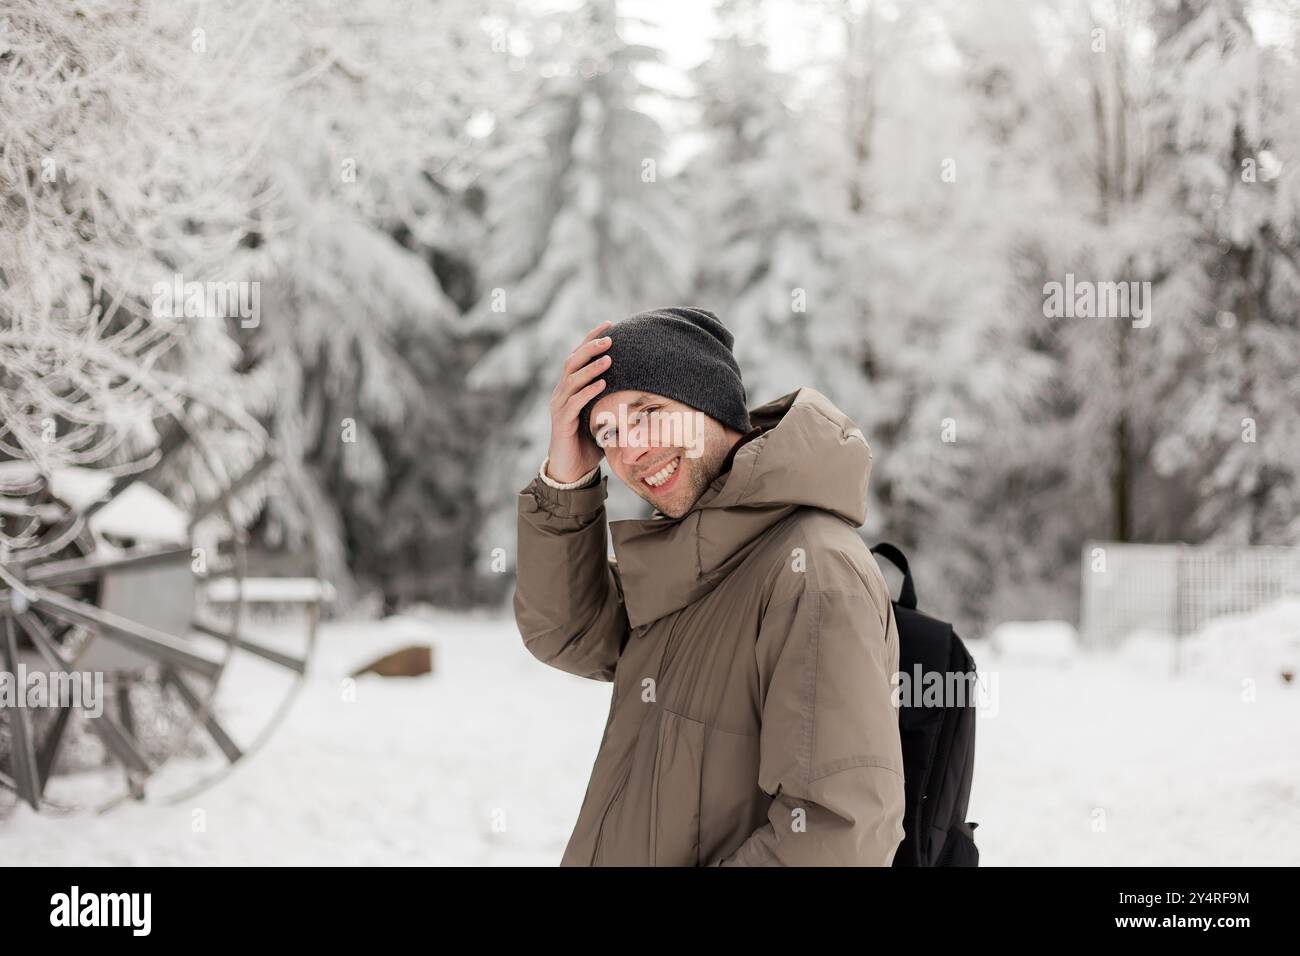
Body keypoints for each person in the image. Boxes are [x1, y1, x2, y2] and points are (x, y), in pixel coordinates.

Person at [514, 306, 905, 866]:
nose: (631, 451)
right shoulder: (689, 559)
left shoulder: (812, 570)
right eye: (608, 432)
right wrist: (567, 478)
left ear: (710, 402)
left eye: (648, 412)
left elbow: (841, 828)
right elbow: (567, 633)